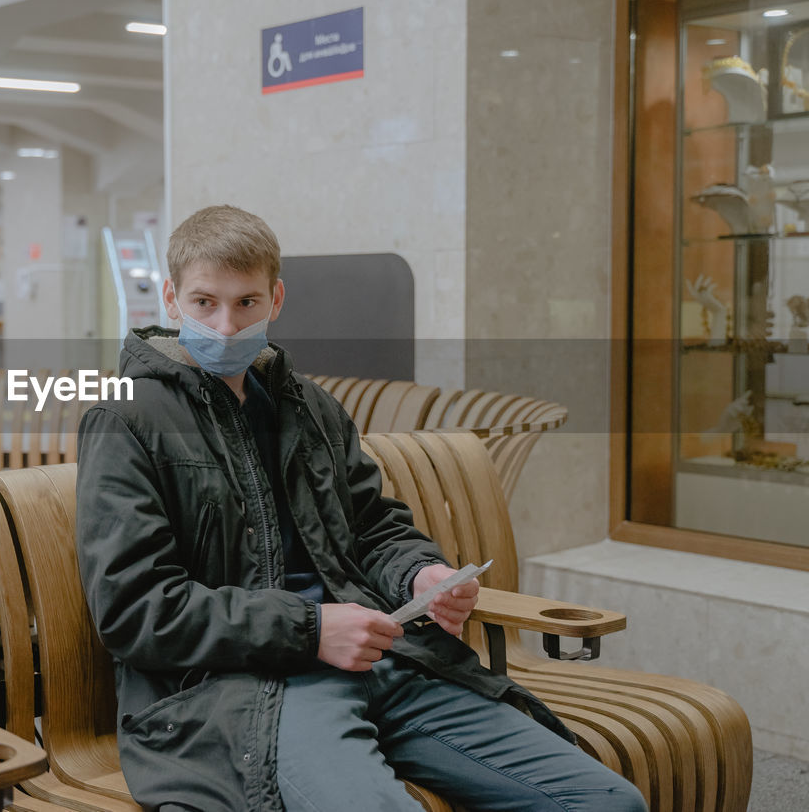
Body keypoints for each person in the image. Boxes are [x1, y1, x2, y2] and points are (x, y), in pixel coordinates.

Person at [74, 205, 646, 811]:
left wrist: (419, 574)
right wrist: (311, 630)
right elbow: (137, 611)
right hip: (250, 690)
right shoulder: (124, 419)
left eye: (246, 303)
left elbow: (373, 526)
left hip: (388, 660)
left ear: (277, 299)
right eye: (204, 303)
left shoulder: (310, 407)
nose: (224, 327)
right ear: (169, 299)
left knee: (608, 803)